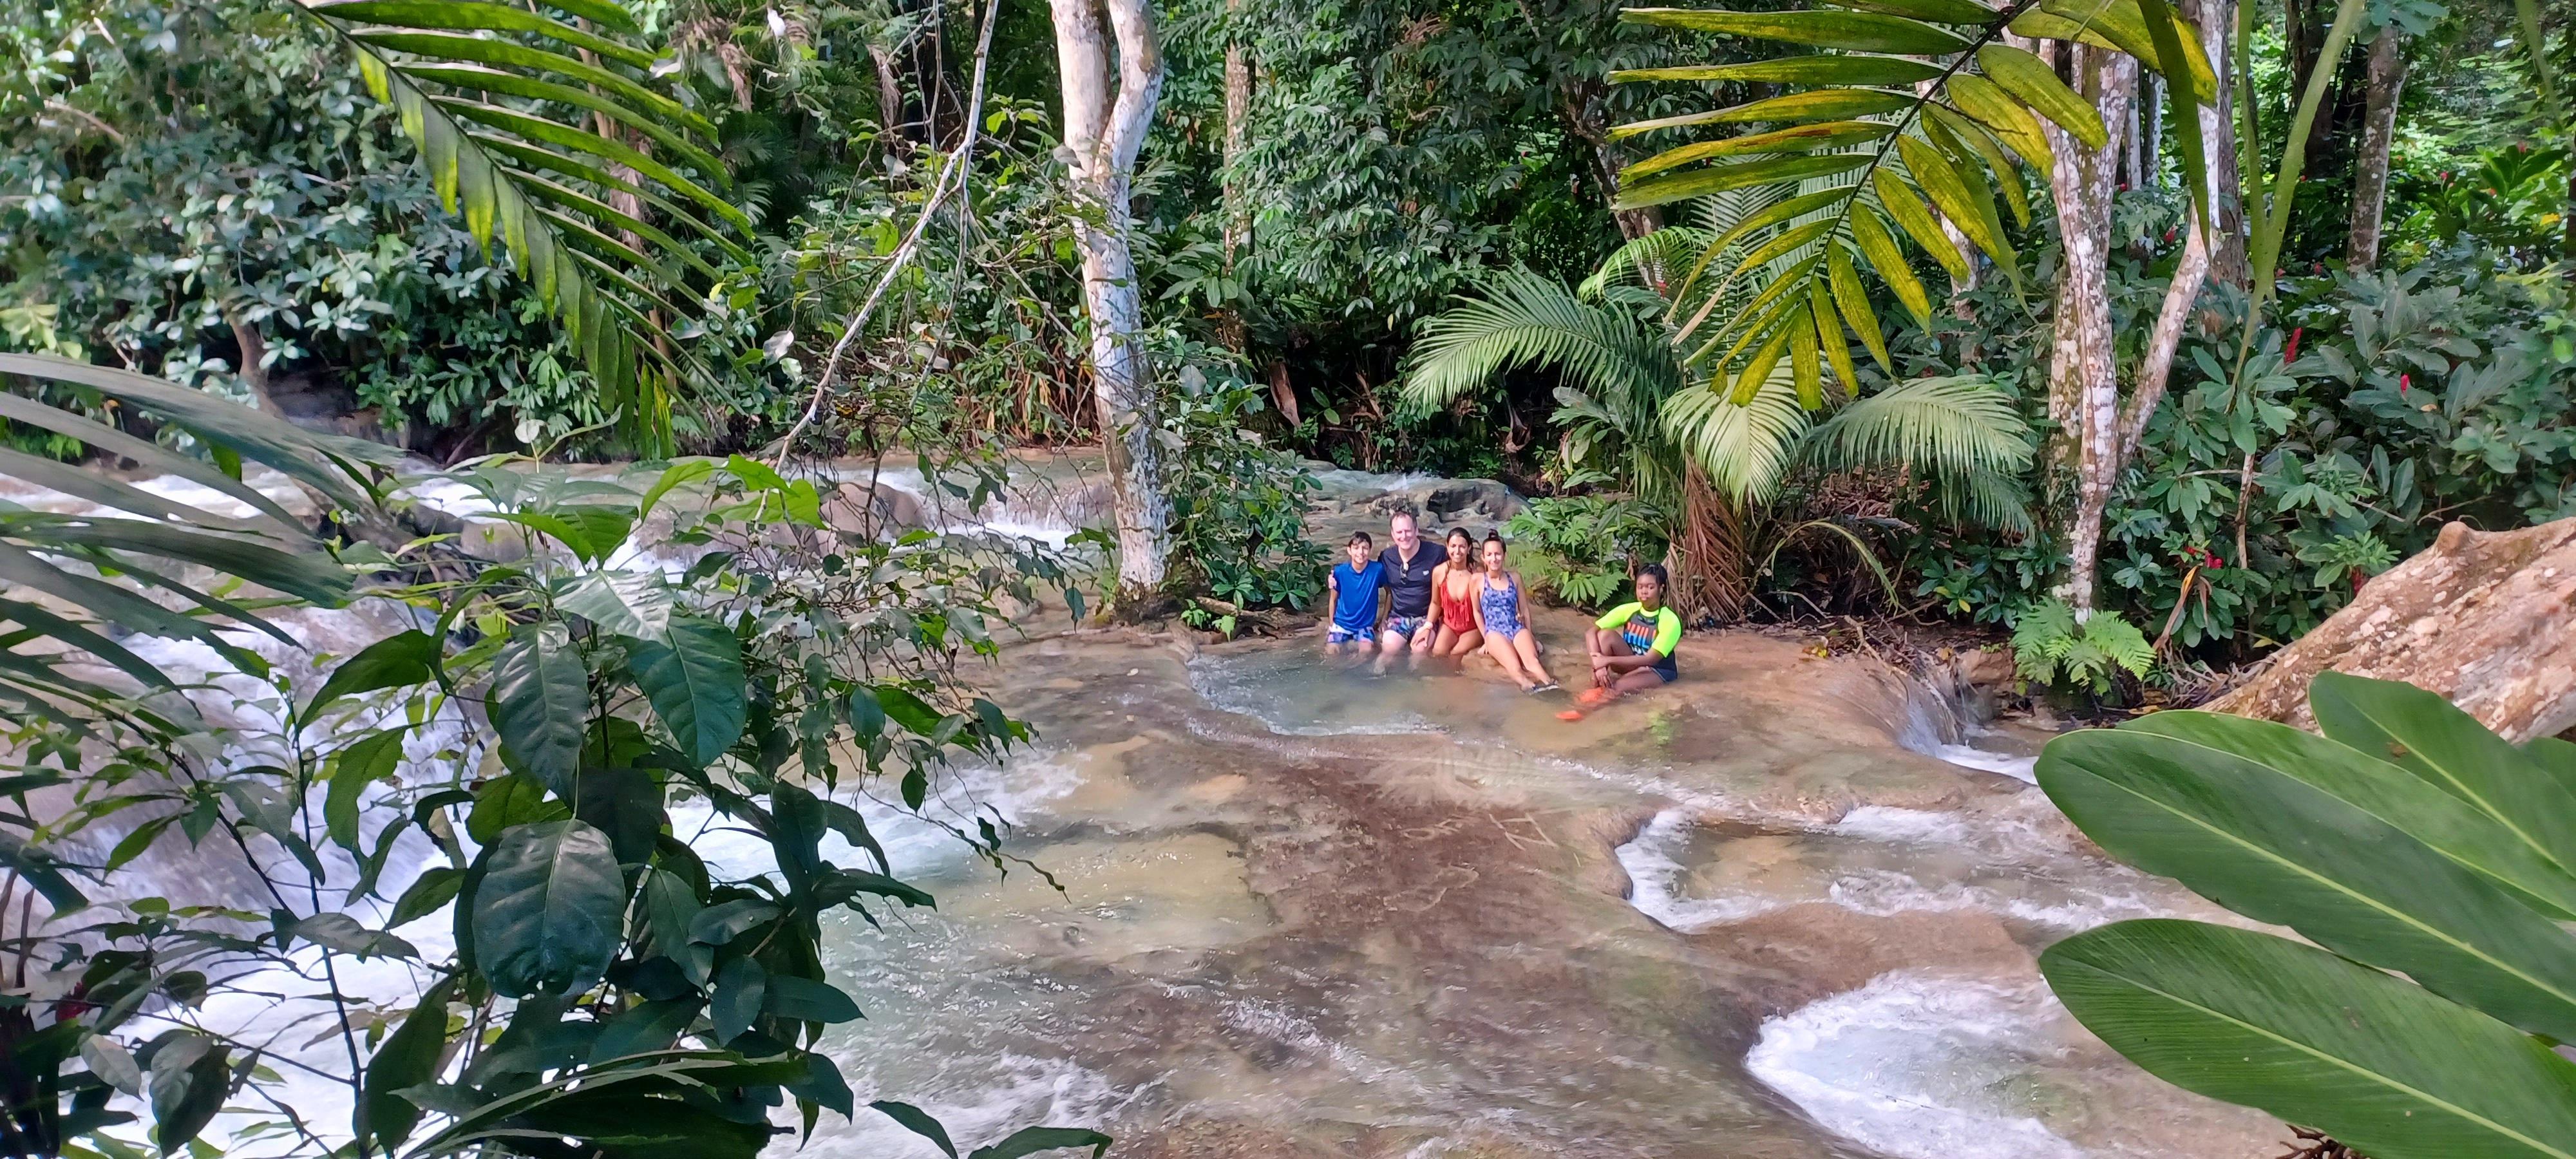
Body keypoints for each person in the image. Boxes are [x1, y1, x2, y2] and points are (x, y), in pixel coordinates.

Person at [1574, 564, 1683, 711]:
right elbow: (1591, 632)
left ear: (1661, 588)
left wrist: (1607, 660)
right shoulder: (1630, 610)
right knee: (1605, 635)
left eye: (1650, 587)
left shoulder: (1670, 620)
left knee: (1616, 687)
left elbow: (1650, 659)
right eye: (1640, 587)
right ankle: (1596, 683)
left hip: (1657, 670)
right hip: (1632, 662)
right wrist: (1598, 664)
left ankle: (1583, 712)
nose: (1644, 592)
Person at [1474, 532, 1558, 692]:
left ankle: (1551, 684)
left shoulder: (1515, 578)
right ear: (1483, 558)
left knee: (1533, 662)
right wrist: (1486, 638)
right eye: (1490, 555)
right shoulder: (1478, 581)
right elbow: (1477, 612)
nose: (1494, 559)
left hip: (1516, 627)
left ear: (1504, 555)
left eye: (1498, 554)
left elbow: (1525, 610)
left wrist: (1532, 636)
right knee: (1513, 665)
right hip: (1494, 632)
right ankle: (1528, 686)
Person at [1374, 511, 1449, 672]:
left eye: (1408, 531)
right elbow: (1372, 579)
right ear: (1393, 535)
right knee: (1387, 651)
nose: (1404, 536)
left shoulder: (1437, 553)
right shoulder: (1387, 557)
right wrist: (1335, 579)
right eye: (1399, 532)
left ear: (1416, 530)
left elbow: (1461, 567)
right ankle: (1373, 684)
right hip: (1399, 617)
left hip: (1426, 618)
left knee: (1419, 653)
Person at [1426, 527, 1484, 669]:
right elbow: (1435, 603)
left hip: (1473, 627)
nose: (1457, 551)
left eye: (1462, 547)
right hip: (1450, 625)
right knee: (1437, 653)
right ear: (1447, 547)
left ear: (1469, 548)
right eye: (1453, 546)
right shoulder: (1439, 572)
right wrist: (1427, 626)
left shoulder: (1478, 572)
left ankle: (1455, 686)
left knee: (1456, 653)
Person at [1322, 531, 1386, 659]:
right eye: (1356, 548)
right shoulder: (1340, 572)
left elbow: (1390, 592)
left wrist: (1383, 620)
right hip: (1341, 623)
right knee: (1330, 653)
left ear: (1370, 550)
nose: (1361, 552)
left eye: (1365, 548)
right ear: (1349, 550)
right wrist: (1331, 625)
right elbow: (1333, 600)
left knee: (1366, 653)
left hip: (1365, 626)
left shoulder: (1377, 570)